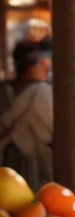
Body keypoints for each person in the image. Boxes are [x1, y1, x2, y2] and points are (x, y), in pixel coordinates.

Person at [0, 40, 53, 189]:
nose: (46, 67)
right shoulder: (40, 90)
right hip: (28, 157)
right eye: (42, 63)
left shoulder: (4, 89)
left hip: (11, 156)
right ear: (30, 65)